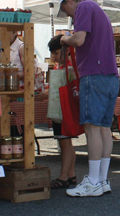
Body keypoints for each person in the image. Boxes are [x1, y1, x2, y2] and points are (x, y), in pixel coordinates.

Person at [58, 0, 119, 197]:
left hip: (94, 74)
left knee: (92, 127)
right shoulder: (97, 9)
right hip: (110, 74)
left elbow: (79, 39)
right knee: (103, 128)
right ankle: (101, 180)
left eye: (64, 8)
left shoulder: (83, 7)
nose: (67, 14)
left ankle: (93, 181)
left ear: (69, 1)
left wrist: (63, 39)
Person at [35, 35, 78, 189]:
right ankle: (71, 174)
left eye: (56, 53)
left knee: (64, 144)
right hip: (64, 110)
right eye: (52, 53)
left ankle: (63, 176)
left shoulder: (67, 68)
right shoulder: (67, 66)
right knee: (67, 143)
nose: (53, 56)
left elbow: (57, 90)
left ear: (65, 51)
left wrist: (41, 96)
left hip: (62, 111)